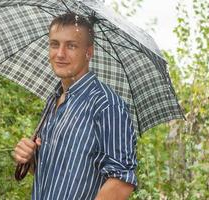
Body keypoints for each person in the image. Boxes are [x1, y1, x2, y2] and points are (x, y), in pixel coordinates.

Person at [13, 12, 137, 200]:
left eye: (71, 46)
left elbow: (121, 181)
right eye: (55, 44)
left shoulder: (106, 104)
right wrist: (30, 160)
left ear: (89, 52)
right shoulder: (54, 99)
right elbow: (58, 173)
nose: (60, 54)